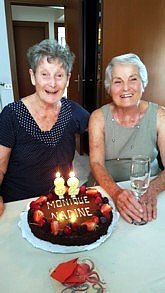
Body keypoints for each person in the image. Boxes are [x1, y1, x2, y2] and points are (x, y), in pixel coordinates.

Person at [0, 39, 89, 215]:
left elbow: (102, 129)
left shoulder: (74, 111)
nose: (53, 83)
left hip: (60, 203)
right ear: (33, 76)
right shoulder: (12, 114)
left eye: (59, 75)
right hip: (19, 204)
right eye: (45, 74)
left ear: (68, 79)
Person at [88, 53, 165, 224]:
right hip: (106, 189)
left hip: (148, 188)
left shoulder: (160, 115)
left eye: (133, 79)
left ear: (143, 83)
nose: (126, 88)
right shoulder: (98, 117)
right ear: (109, 88)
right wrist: (116, 193)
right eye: (117, 81)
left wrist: (152, 190)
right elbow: (96, 163)